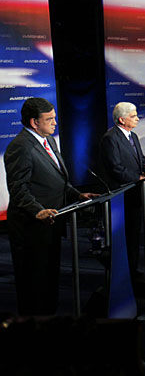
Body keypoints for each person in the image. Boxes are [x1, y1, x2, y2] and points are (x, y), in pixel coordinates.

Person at [4, 97, 96, 315]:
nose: (55, 123)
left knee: (49, 278)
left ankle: (49, 319)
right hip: (31, 227)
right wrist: (37, 210)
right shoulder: (20, 147)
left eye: (54, 118)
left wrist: (77, 195)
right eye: (49, 119)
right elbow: (18, 188)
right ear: (34, 122)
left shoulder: (49, 141)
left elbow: (58, 180)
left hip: (53, 221)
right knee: (33, 283)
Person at [100, 102, 145, 277]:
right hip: (121, 194)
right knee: (123, 235)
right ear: (122, 120)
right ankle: (122, 273)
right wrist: (137, 178)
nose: (137, 118)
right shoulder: (110, 138)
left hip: (135, 193)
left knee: (134, 234)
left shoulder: (134, 136)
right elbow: (115, 168)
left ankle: (132, 270)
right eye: (133, 116)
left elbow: (141, 159)